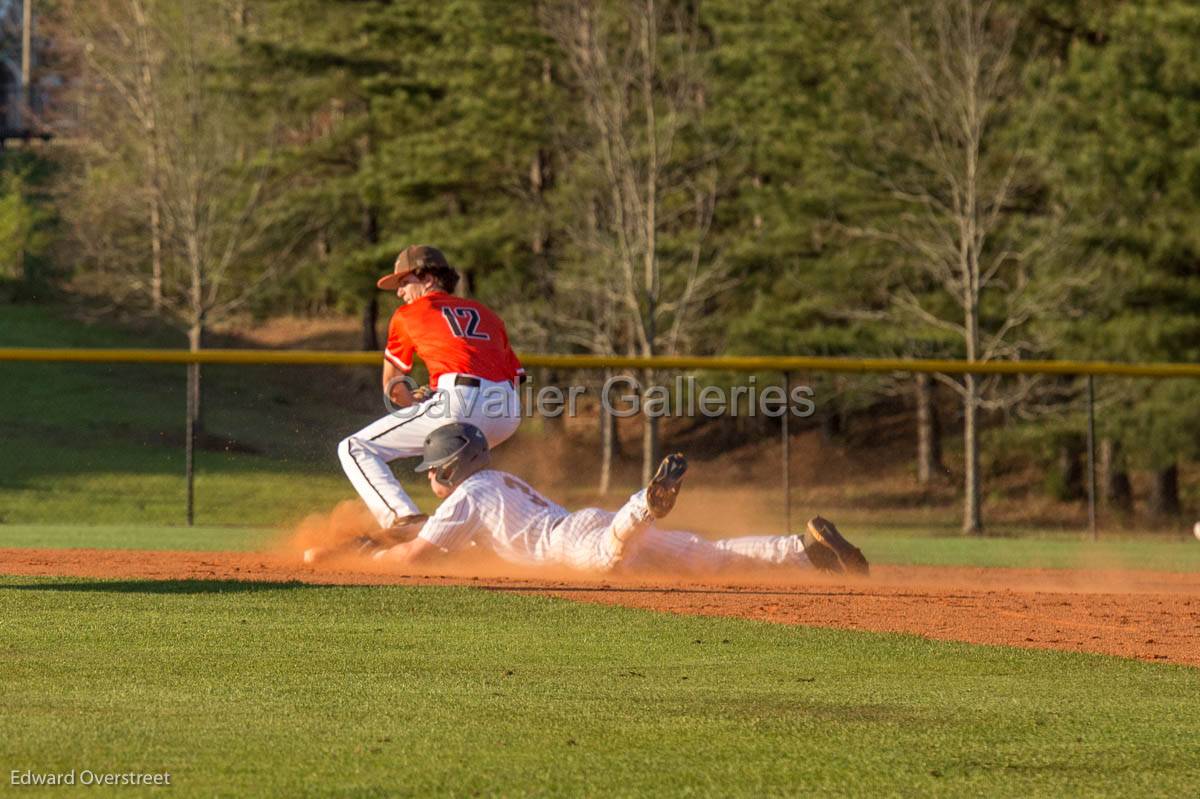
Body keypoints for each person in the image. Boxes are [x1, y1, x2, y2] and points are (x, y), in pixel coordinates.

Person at [312, 423, 870, 578]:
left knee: (609, 556)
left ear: (450, 469)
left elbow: (419, 556)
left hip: (576, 541)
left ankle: (647, 504)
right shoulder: (495, 484)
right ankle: (807, 551)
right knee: (708, 555)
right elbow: (437, 538)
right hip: (579, 522)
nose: (431, 480)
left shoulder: (467, 493)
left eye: (433, 471)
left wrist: (363, 558)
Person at [338, 246, 525, 536]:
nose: (399, 292)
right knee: (462, 476)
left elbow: (393, 386)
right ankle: (477, 539)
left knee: (355, 448)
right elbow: (511, 375)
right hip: (508, 410)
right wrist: (438, 395)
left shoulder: (408, 314)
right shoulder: (487, 315)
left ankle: (405, 520)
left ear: (426, 277)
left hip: (461, 401)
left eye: (403, 282)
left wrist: (414, 401)